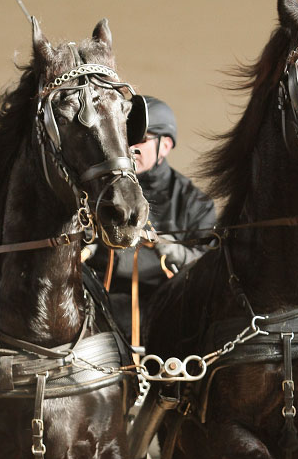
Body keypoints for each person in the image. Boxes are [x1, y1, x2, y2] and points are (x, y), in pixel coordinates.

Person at [90, 96, 216, 341]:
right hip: (102, 302)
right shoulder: (96, 191)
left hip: (169, 310)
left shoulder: (195, 203)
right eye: (126, 136)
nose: (131, 146)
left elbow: (211, 269)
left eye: (143, 139)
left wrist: (176, 252)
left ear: (165, 146)